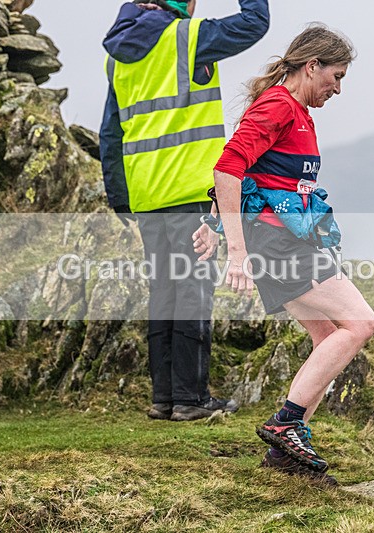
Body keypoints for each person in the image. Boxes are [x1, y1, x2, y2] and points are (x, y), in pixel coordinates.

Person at [194, 24, 374, 485]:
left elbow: (248, 172)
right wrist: (235, 250)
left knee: (327, 337)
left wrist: (214, 224)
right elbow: (227, 168)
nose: (338, 88)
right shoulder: (279, 106)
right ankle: (286, 423)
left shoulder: (296, 111)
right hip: (277, 243)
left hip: (285, 241)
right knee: (360, 323)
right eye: (335, 76)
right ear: (311, 65)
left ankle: (287, 455)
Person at [99, 0, 269, 422]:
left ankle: (164, 398)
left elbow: (110, 131)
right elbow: (255, 22)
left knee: (165, 292)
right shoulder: (188, 37)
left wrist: (121, 196)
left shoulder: (117, 55)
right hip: (189, 187)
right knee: (192, 291)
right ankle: (190, 400)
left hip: (146, 194)